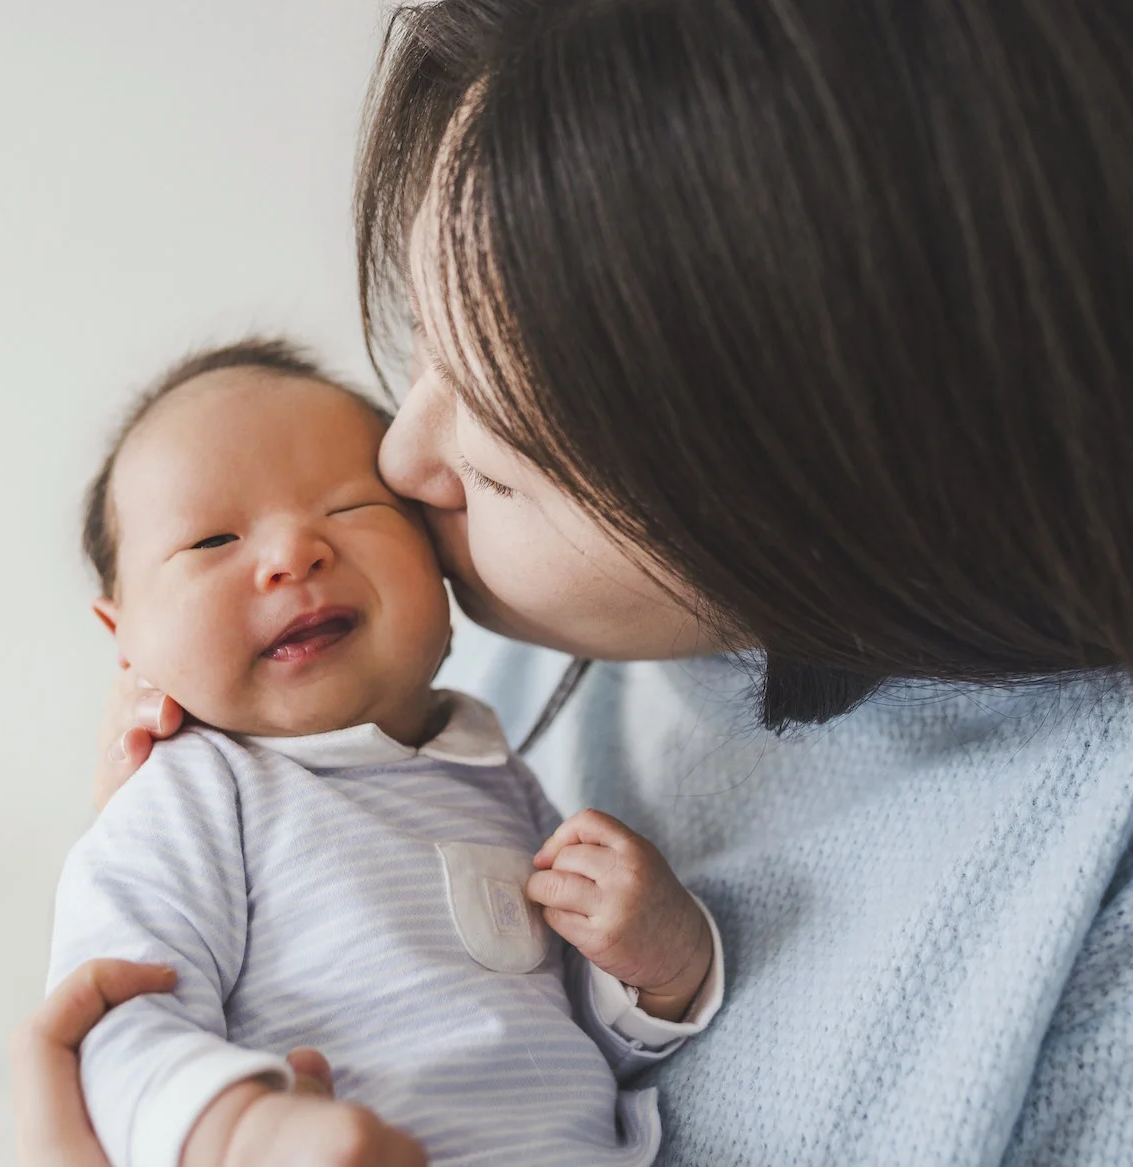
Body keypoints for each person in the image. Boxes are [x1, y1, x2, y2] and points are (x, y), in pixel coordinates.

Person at [19, 0, 1133, 1162]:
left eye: (503, 460)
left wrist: (664, 966)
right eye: (423, 346)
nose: (396, 460)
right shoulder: (485, 647)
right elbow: (149, 1010)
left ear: (818, 488)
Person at [47, 340, 721, 1167]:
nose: (294, 553)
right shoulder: (185, 797)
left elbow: (569, 1037)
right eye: (212, 540)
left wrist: (656, 971)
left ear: (438, 564)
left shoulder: (496, 779)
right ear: (126, 644)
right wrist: (238, 1133)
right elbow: (113, 1014)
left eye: (349, 508)